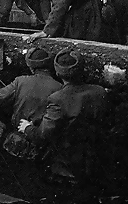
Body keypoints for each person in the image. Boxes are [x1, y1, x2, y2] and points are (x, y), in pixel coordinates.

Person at [18, 48, 108, 182]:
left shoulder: (57, 99)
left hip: (66, 168)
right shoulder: (100, 91)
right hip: (95, 163)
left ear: (57, 72)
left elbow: (42, 135)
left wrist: (27, 128)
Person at [0, 47, 63, 130]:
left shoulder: (20, 81)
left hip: (19, 133)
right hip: (43, 135)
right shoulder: (59, 87)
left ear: (31, 68)